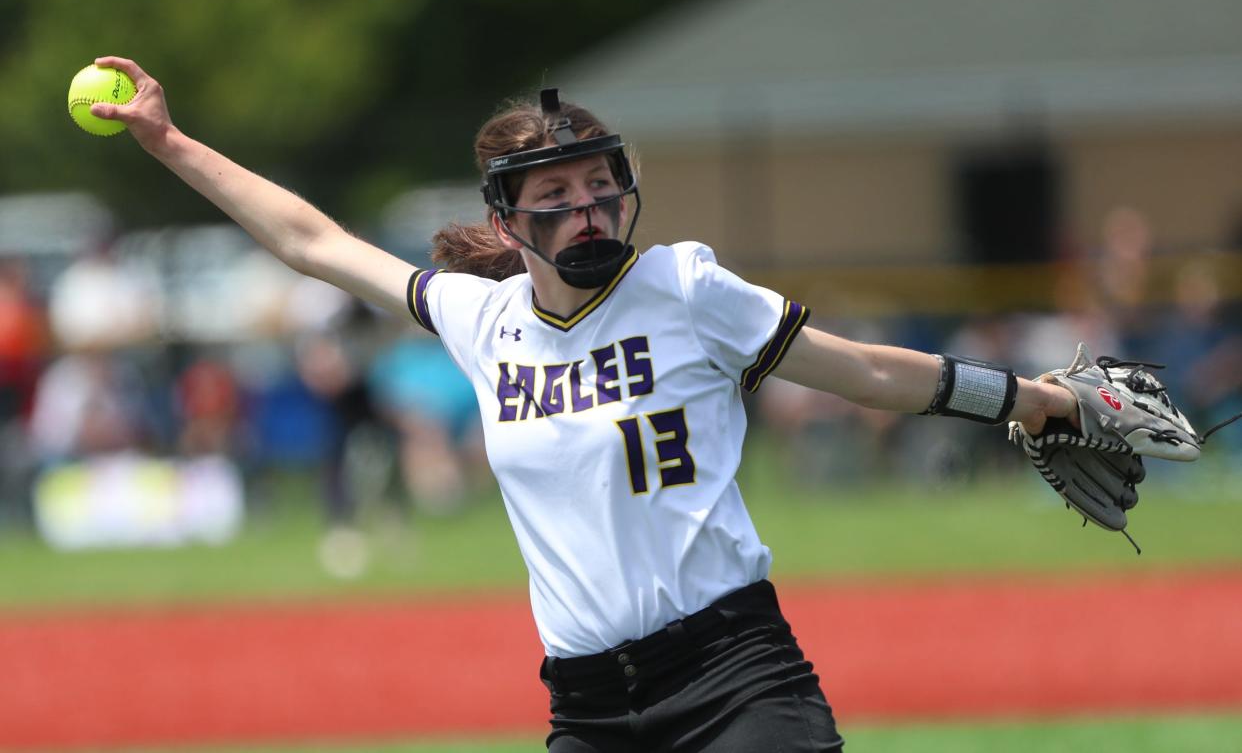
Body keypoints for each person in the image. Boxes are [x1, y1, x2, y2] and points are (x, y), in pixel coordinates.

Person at [90, 56, 1080, 752]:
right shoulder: (481, 319)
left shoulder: (685, 288)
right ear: (504, 217)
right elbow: (311, 241)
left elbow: (861, 370)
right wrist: (171, 142)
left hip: (735, 674)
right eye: (555, 194)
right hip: (590, 706)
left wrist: (1033, 400)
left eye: (600, 186)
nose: (588, 209)